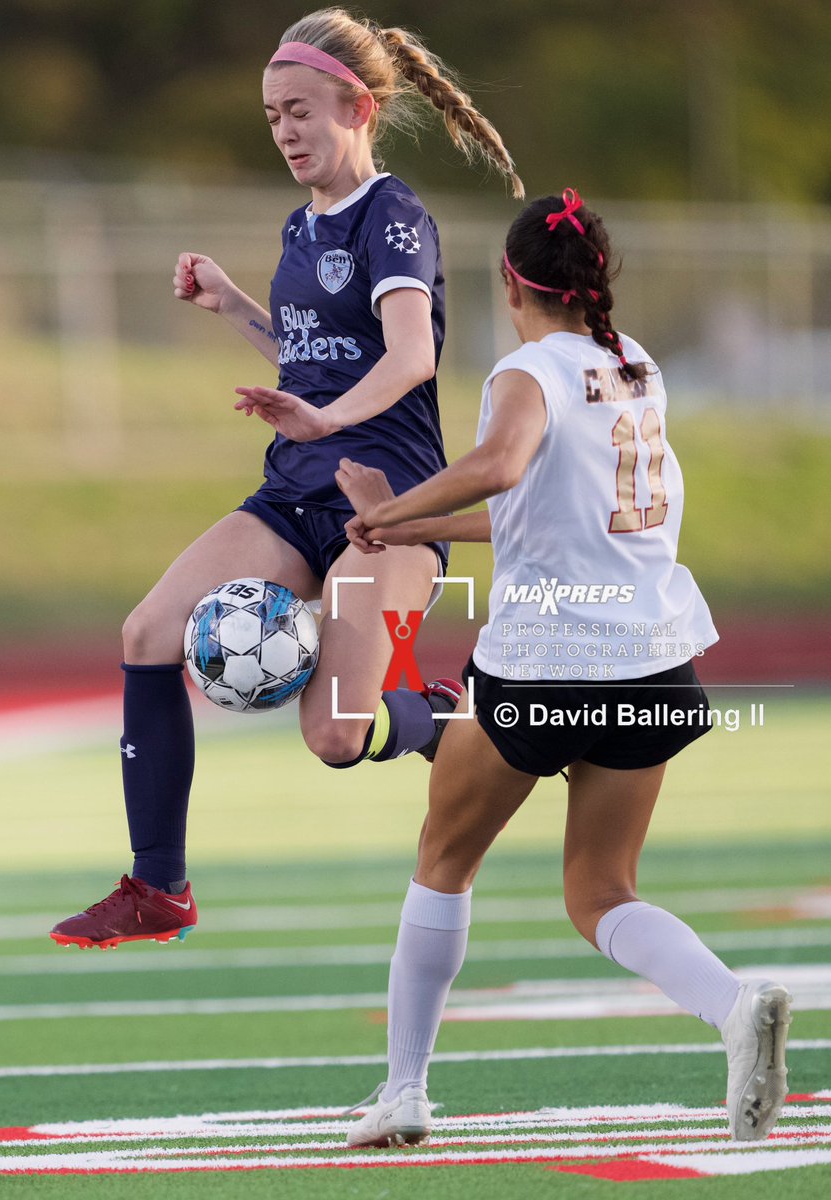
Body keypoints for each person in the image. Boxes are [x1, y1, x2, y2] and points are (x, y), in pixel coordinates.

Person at [50, 8, 524, 949]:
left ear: (359, 104)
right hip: (289, 493)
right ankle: (160, 887)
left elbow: (411, 356)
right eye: (273, 117)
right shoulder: (300, 227)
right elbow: (311, 358)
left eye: (300, 111)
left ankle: (448, 710)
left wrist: (332, 420)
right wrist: (234, 307)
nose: (285, 133)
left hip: (385, 511)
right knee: (149, 632)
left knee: (336, 736)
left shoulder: (395, 219)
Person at [335, 189, 792, 1147]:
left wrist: (386, 511)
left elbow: (501, 468)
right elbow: (534, 506)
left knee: (444, 862)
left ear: (510, 281)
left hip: (545, 663)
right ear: (597, 280)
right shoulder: (637, 365)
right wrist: (408, 522)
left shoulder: (525, 369)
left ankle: (406, 1090)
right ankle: (732, 1006)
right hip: (653, 661)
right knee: (602, 893)